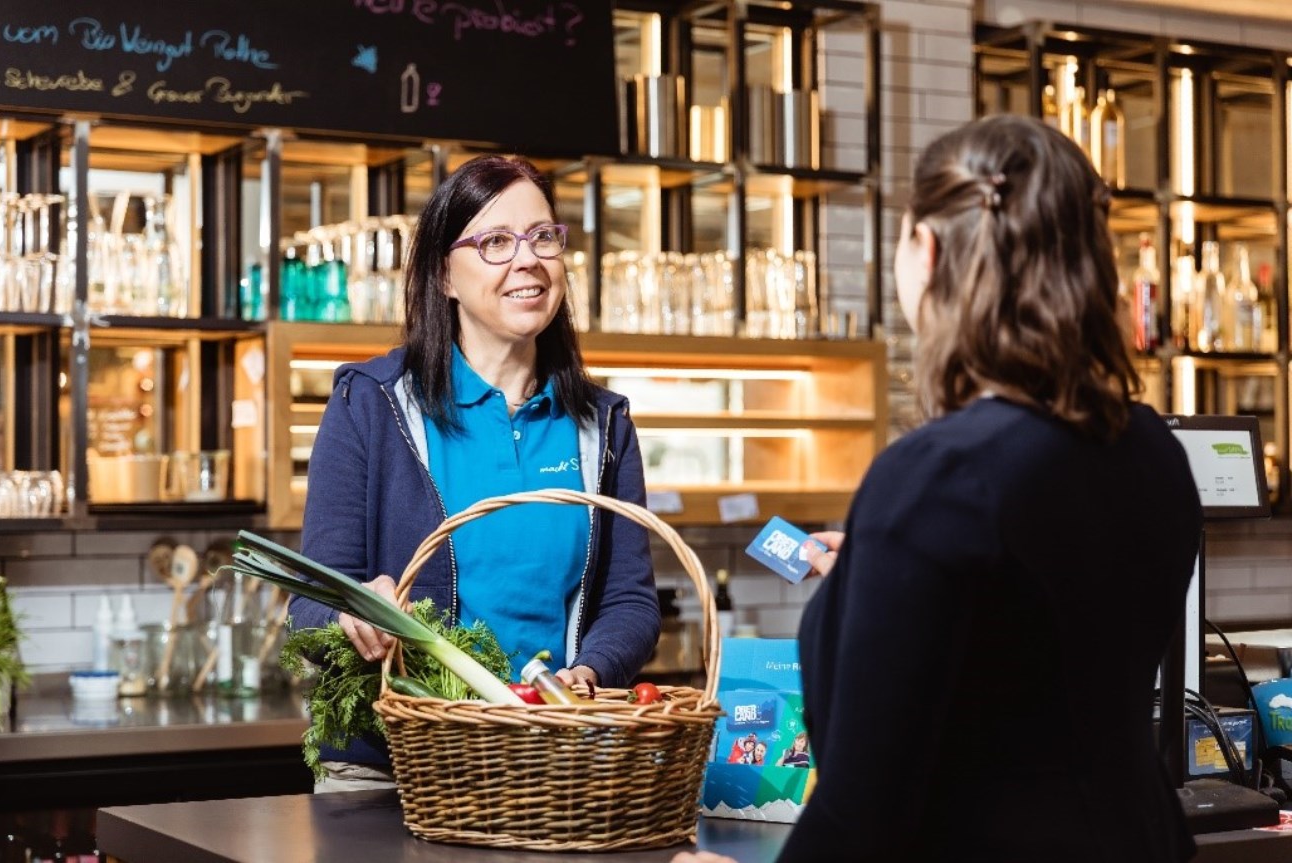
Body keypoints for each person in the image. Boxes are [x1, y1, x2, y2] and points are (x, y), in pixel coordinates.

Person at [673, 114, 1203, 862]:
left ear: (923, 249)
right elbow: (1036, 633)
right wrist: (883, 569)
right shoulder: (1152, 448)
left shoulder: (936, 478)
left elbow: (862, 815)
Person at [292, 155, 661, 792]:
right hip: (394, 770)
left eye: (543, 237)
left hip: (549, 760)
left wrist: (593, 672)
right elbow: (310, 605)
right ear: (445, 276)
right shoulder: (372, 403)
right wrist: (355, 613)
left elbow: (629, 599)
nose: (528, 261)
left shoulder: (601, 425)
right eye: (494, 242)